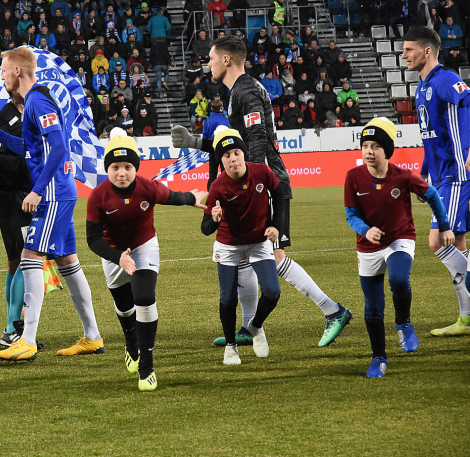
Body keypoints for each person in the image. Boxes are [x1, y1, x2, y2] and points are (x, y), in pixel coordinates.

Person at [171, 36, 352, 347]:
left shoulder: (247, 91)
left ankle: (333, 311)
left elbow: (255, 140)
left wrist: (250, 184)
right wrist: (196, 143)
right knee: (247, 256)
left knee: (273, 256)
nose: (208, 64)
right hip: (259, 183)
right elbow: (235, 146)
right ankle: (248, 329)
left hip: (265, 185)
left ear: (226, 59)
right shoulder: (238, 91)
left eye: (211, 58)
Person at [0, 47, 103, 362]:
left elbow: (59, 147)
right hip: (59, 191)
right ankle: (92, 336)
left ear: (17, 71)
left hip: (53, 193)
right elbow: (29, 146)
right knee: (67, 263)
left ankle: (26, 339)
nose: (2, 77)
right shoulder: (34, 102)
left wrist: (38, 191)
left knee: (29, 258)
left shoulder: (38, 101)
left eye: (3, 71)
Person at [86, 128, 207, 390]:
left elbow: (171, 196)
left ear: (135, 168)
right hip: (114, 253)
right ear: (107, 169)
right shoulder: (97, 196)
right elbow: (93, 240)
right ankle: (131, 344)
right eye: (115, 167)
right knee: (124, 307)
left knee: (144, 298)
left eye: (127, 167)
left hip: (144, 246)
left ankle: (147, 366)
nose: (121, 172)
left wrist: (191, 198)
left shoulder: (147, 187)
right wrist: (118, 258)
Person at [344, 118, 455, 378]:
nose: (369, 151)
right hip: (368, 246)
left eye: (375, 146)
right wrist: (366, 230)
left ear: (387, 150)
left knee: (398, 279)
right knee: (373, 308)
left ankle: (403, 323)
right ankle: (379, 357)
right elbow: (351, 215)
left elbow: (432, 195)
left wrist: (445, 226)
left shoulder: (403, 176)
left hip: (399, 238)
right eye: (365, 146)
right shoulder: (353, 177)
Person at [402, 27, 470, 336]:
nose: (404, 54)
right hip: (442, 176)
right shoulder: (421, 88)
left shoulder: (444, 79)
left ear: (427, 51)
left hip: (456, 175)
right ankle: (466, 318)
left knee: (437, 241)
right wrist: (423, 174)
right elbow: (432, 137)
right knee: (457, 242)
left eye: (409, 49)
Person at [201, 129, 283, 365]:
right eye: (227, 155)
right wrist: (214, 219)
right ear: (221, 160)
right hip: (228, 245)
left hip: (258, 241)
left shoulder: (262, 172)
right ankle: (231, 347)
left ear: (243, 153)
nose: (233, 158)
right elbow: (205, 228)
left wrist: (276, 226)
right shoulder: (217, 186)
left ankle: (255, 327)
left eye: (236, 152)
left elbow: (280, 195)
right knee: (228, 299)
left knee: (272, 291)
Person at [0, 90, 34, 348]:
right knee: (25, 258)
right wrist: (26, 164)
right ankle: (11, 328)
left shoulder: (33, 114)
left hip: (27, 194)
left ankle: (16, 325)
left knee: (16, 261)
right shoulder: (3, 117)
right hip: (12, 197)